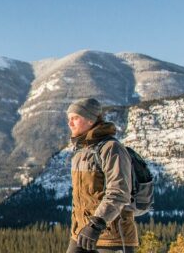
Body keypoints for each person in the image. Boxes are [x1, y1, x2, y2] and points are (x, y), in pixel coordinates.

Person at [65, 98, 138, 253]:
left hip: (112, 237)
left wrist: (96, 224)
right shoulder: (80, 152)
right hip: (81, 234)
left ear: (90, 120)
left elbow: (119, 192)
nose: (70, 123)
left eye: (75, 118)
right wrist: (78, 228)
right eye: (69, 119)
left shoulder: (111, 148)